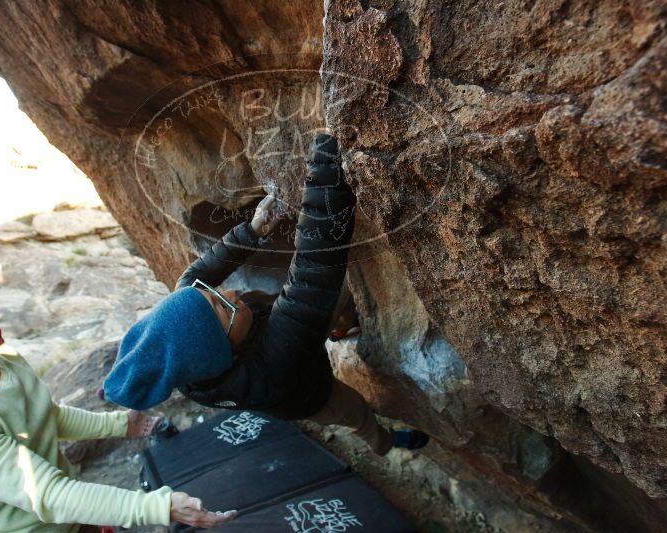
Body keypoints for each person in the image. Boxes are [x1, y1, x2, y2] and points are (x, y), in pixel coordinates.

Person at [104, 133, 429, 455]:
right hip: (310, 393)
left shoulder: (190, 353)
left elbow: (195, 277)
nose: (230, 293)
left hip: (280, 331)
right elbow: (313, 275)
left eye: (212, 294)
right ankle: (384, 443)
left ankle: (340, 325)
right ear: (227, 350)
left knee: (323, 309)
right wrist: (327, 169)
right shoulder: (270, 369)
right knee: (355, 412)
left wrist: (253, 230)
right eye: (223, 307)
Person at [0, 270, 236, 533]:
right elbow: (48, 494)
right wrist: (158, 507)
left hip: (69, 521)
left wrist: (120, 424)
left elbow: (47, 417)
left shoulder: (3, 361)